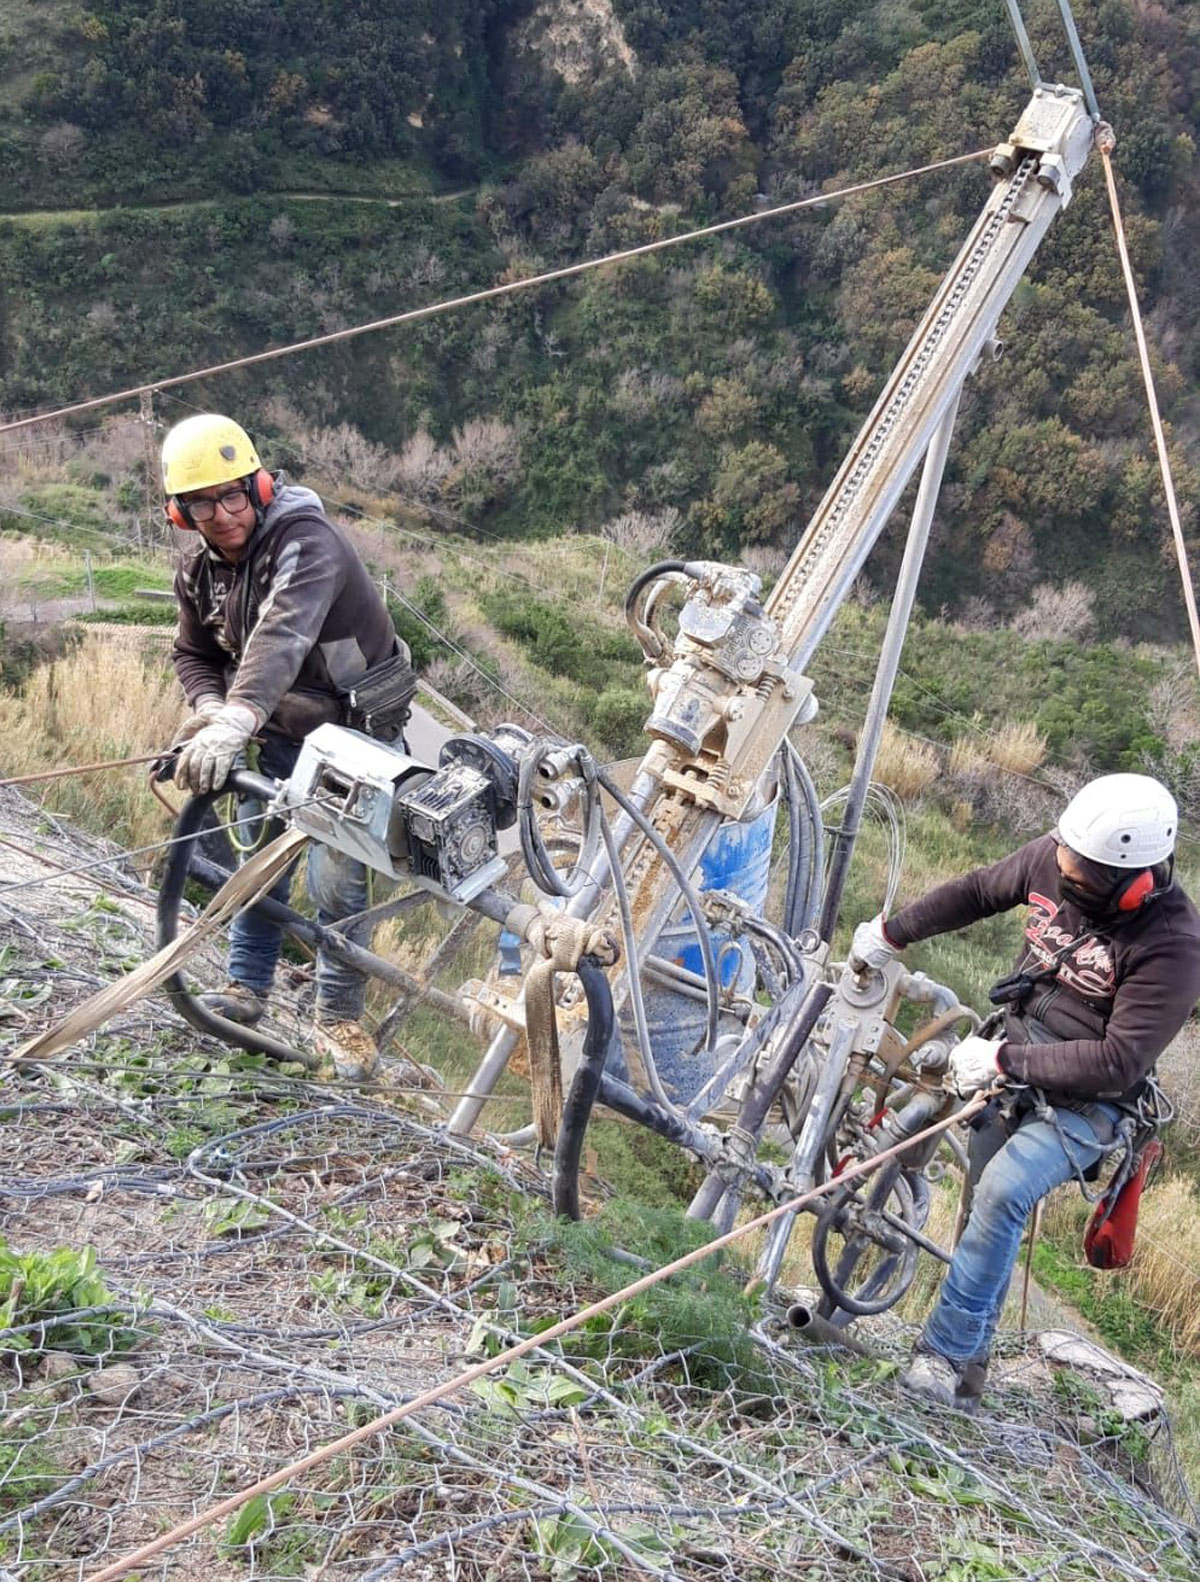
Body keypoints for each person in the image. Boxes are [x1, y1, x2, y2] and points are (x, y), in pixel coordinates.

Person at [849, 772, 1200, 1411]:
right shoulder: (1059, 857)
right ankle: (968, 1380)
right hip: (1008, 1065)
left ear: (1135, 882)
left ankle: (941, 1358)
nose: (1064, 872)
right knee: (983, 1210)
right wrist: (894, 931)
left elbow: (1118, 1062)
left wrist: (1007, 1059)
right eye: (1062, 859)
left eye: (1083, 873)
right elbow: (981, 890)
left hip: (1087, 1104)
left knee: (1005, 1193)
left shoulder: (1171, 945)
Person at [164, 412, 411, 1080]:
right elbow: (192, 652)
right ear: (180, 512)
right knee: (258, 858)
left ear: (259, 486)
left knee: (334, 878)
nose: (221, 514)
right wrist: (212, 708)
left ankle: (338, 1018)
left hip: (352, 737)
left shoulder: (308, 543)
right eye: (201, 503)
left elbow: (281, 639)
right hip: (274, 733)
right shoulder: (200, 573)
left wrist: (232, 722)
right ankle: (246, 987)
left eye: (232, 495)